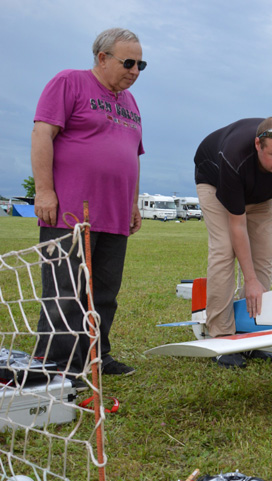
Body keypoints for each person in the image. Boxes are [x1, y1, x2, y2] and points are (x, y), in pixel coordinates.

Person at [32, 28, 146, 379]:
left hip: (114, 215)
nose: (135, 71)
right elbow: (42, 134)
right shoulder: (69, 82)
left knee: (105, 292)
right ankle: (59, 364)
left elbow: (132, 156)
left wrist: (132, 203)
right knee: (66, 290)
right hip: (70, 212)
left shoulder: (129, 103)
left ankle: (97, 356)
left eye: (141, 64)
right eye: (128, 63)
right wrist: (45, 191)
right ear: (102, 57)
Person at [194, 117, 272, 368]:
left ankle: (250, 333)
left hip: (263, 195)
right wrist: (250, 279)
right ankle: (222, 337)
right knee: (224, 250)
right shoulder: (235, 155)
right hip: (216, 184)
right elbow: (238, 224)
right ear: (258, 145)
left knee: (263, 256)